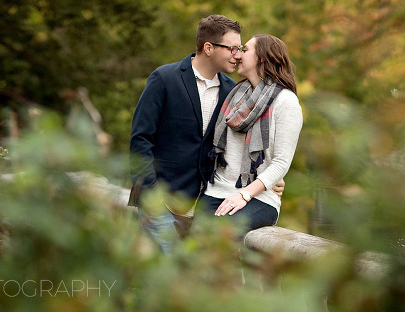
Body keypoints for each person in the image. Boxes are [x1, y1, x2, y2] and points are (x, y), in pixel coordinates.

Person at [128, 16, 283, 252]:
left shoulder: (234, 91)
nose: (238, 55)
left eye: (240, 48)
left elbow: (242, 149)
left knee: (190, 284)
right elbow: (141, 140)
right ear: (208, 48)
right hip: (162, 205)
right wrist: (150, 197)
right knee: (159, 281)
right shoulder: (164, 78)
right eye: (231, 48)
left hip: (206, 208)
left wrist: (270, 178)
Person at [199, 34, 303, 235]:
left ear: (262, 58)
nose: (237, 55)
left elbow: (281, 162)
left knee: (221, 239)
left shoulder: (286, 102)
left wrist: (244, 195)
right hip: (216, 190)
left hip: (258, 199)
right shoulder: (235, 95)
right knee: (193, 253)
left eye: (244, 50)